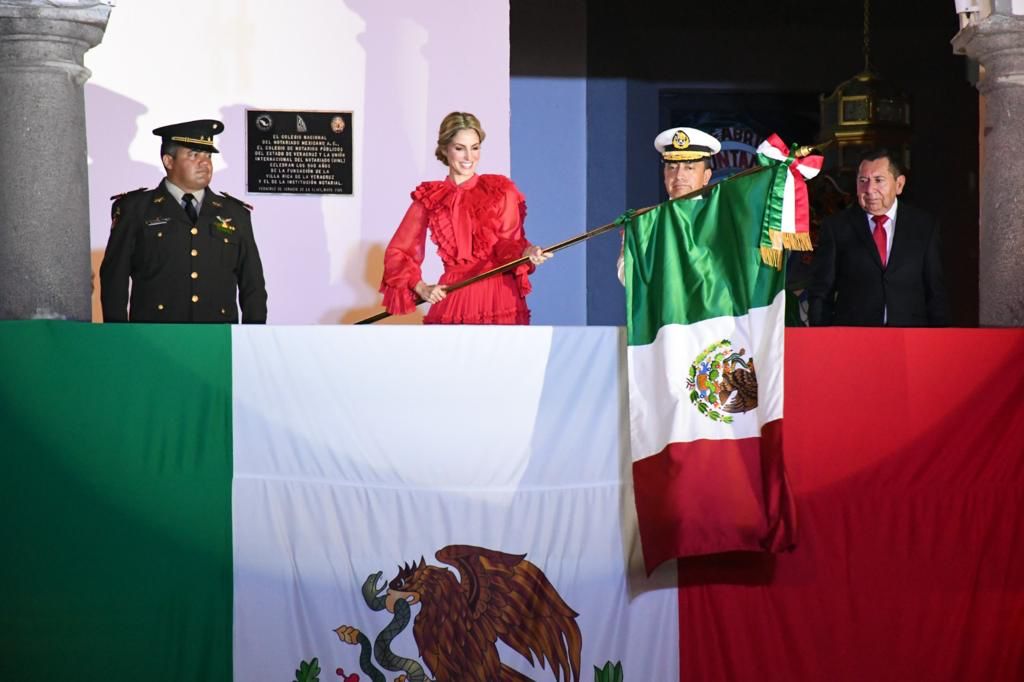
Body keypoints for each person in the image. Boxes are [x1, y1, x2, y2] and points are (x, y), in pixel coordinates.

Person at [379, 111, 550, 324]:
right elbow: (398, 252)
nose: (469, 157)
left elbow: (510, 243)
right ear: (445, 149)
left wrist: (527, 252)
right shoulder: (430, 197)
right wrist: (421, 287)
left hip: (500, 294)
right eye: (460, 148)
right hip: (454, 295)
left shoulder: (501, 190)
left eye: (475, 148)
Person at [100, 119, 268, 323]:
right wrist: (118, 336)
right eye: (194, 155)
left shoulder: (235, 213)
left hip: (218, 336)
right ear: (168, 161)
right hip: (154, 336)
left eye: (208, 156)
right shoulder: (135, 209)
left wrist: (252, 336)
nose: (205, 163)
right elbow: (114, 278)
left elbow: (253, 285)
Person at [808, 149, 950, 326]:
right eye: (863, 181)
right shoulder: (837, 227)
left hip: (909, 335)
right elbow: (821, 291)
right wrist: (821, 336)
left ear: (899, 184)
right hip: (855, 335)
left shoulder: (924, 227)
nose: (869, 190)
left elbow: (936, 292)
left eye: (878, 180)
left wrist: (939, 337)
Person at [616, 126, 720, 283]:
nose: (679, 176)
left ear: (706, 176)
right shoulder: (647, 220)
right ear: (664, 174)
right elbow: (626, 276)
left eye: (689, 168)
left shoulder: (719, 218)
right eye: (672, 167)